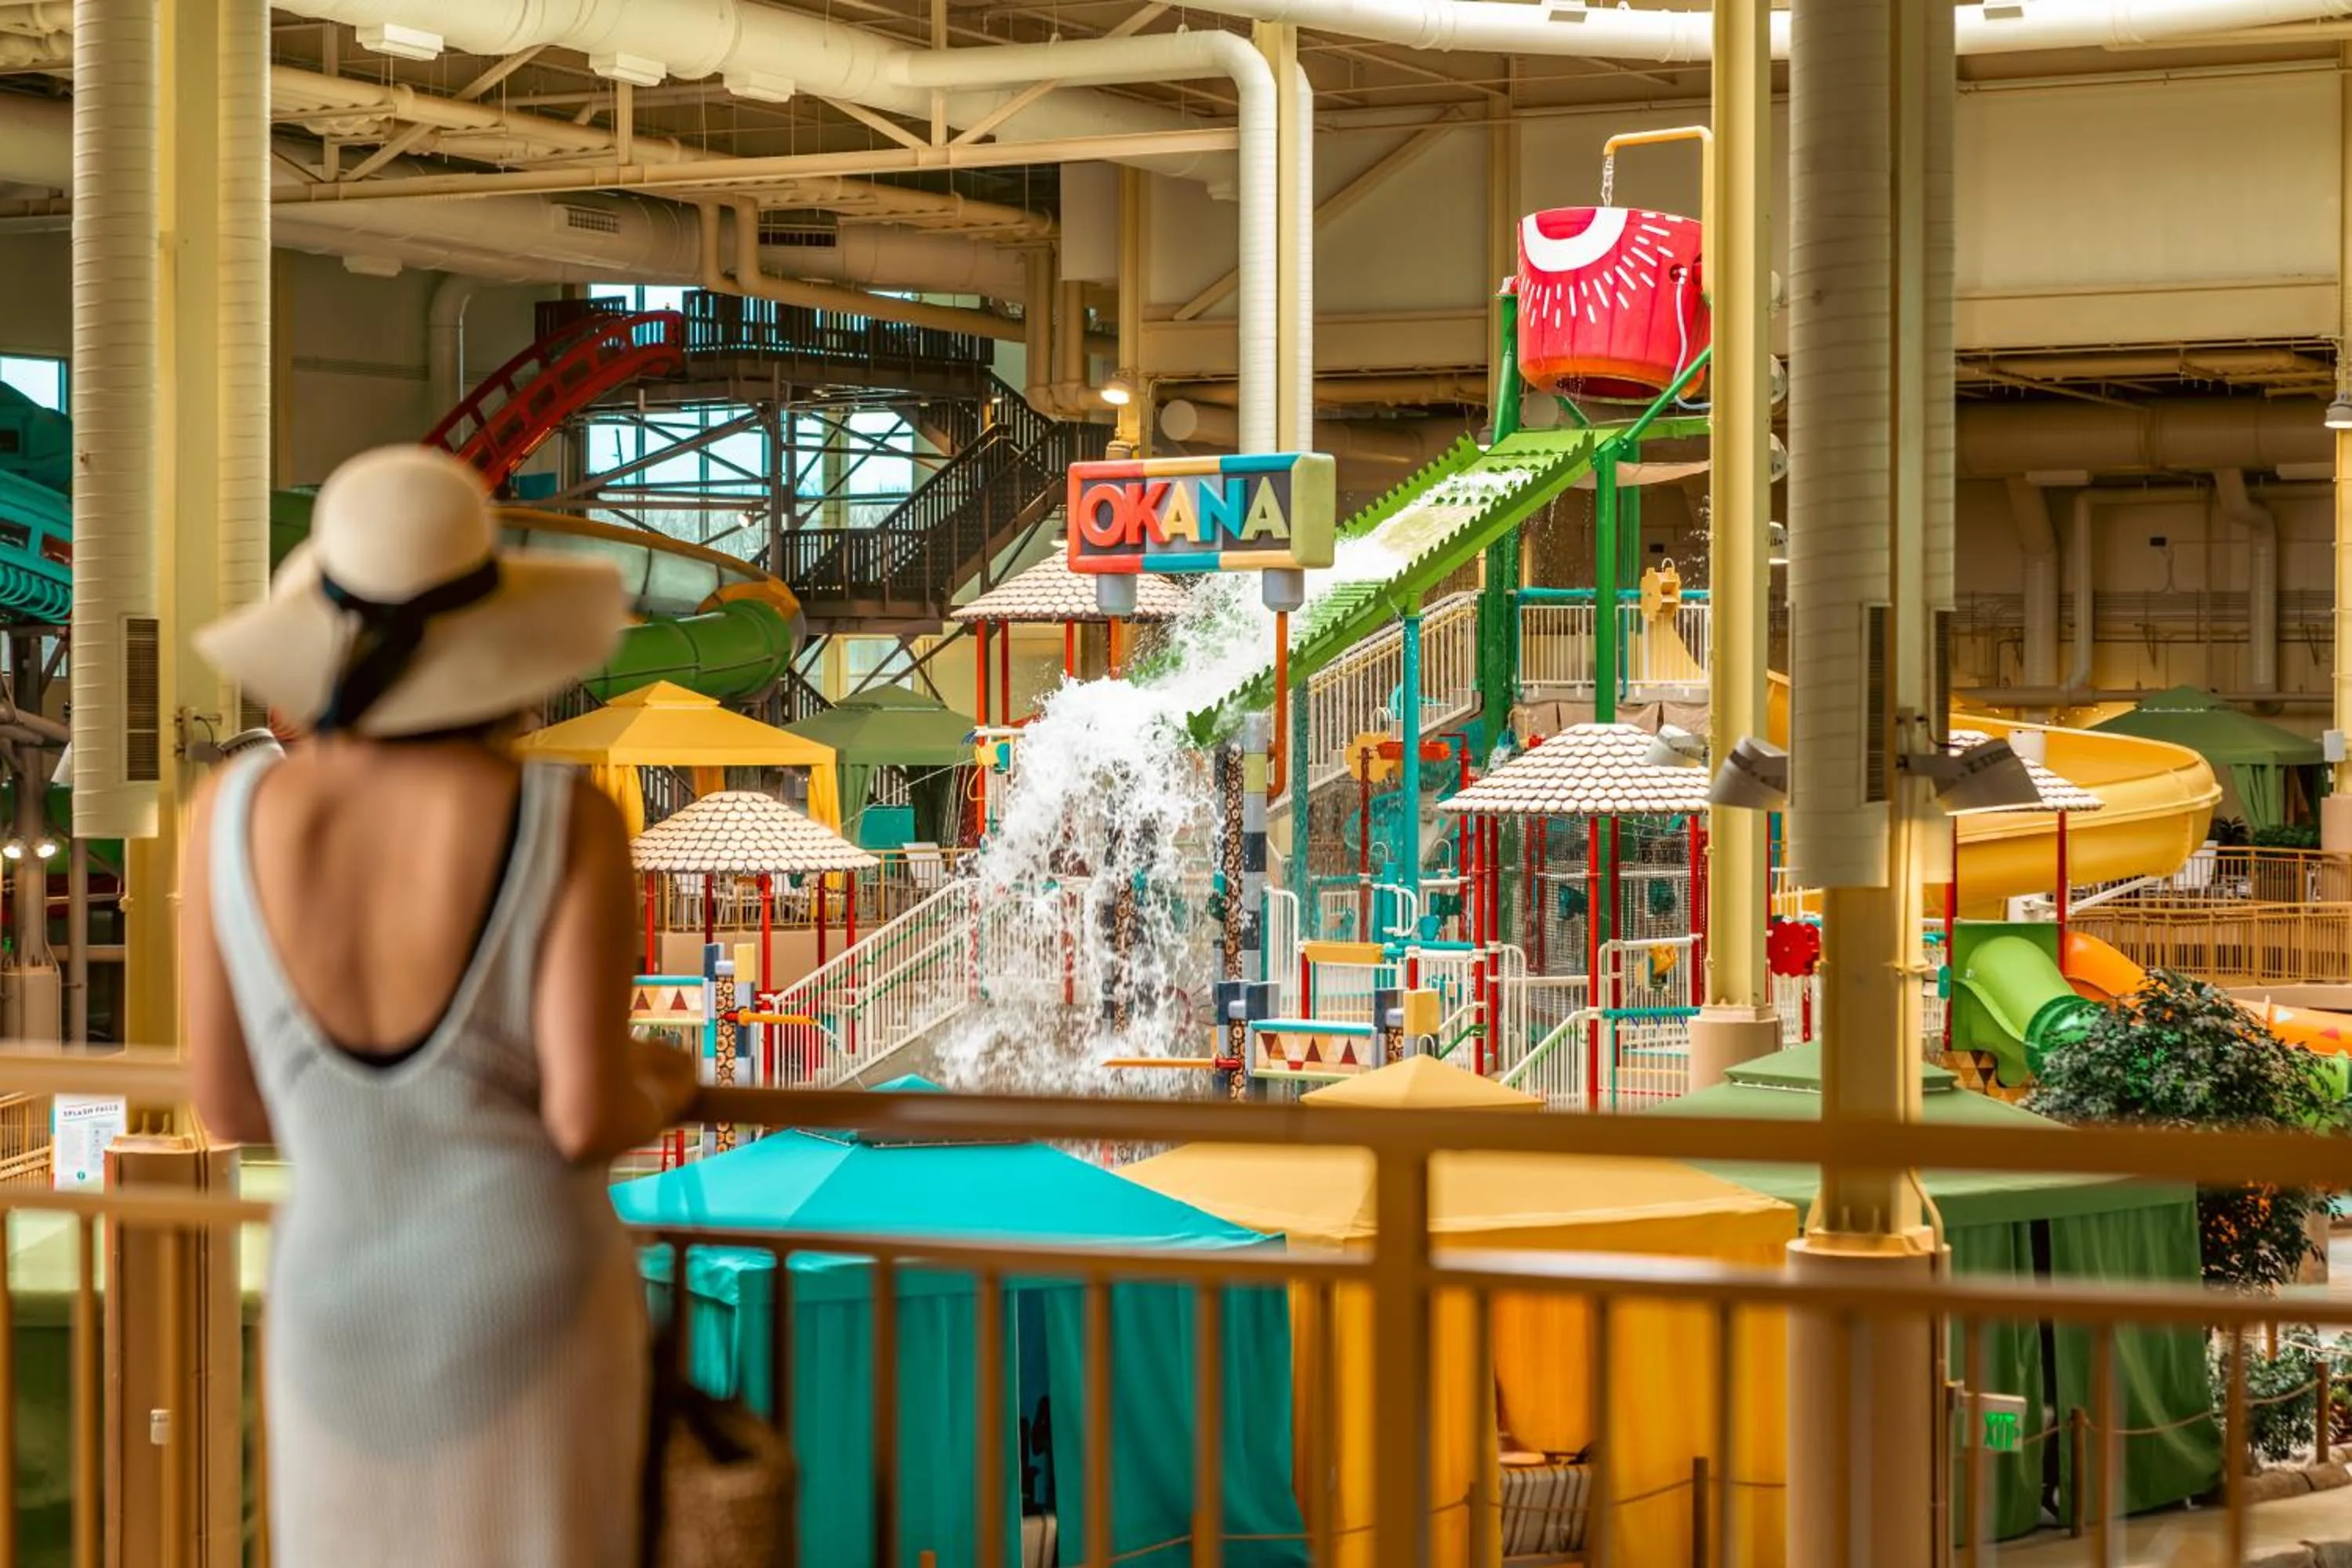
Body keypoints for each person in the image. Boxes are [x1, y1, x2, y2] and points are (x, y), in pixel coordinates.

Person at [180, 445, 702, 1566]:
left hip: (333, 1309)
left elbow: (229, 1104)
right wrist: (666, 1074)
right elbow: (583, 1115)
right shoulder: (562, 821)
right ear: (496, 639)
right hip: (529, 1307)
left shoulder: (228, 811)